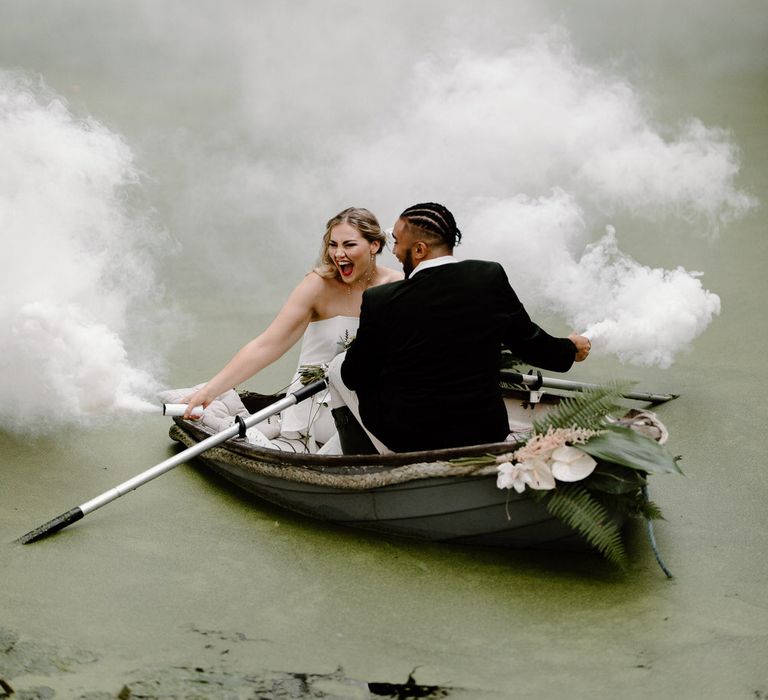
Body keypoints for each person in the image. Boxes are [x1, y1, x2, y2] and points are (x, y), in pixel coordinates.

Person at [327, 202, 591, 454]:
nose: (394, 252)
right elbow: (531, 344)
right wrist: (570, 348)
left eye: (396, 242)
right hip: (485, 431)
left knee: (339, 366)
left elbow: (354, 375)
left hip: (410, 439)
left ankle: (366, 462)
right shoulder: (489, 276)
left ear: (419, 250)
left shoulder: (380, 300)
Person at [178, 207, 403, 452]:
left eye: (349, 245)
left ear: (374, 245)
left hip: (370, 398)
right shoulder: (318, 285)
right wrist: (210, 391)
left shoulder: (397, 286)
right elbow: (267, 345)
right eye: (333, 245)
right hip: (315, 403)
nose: (339, 254)